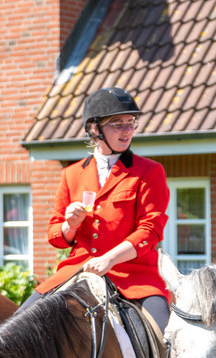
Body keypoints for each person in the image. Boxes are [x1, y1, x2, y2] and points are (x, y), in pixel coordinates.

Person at [20, 87, 170, 331]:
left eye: (130, 123)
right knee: (16, 324)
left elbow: (150, 230)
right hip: (76, 271)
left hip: (134, 278)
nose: (127, 130)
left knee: (165, 338)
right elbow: (54, 236)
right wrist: (70, 225)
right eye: (117, 124)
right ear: (94, 128)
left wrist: (109, 259)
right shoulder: (71, 174)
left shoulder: (150, 171)